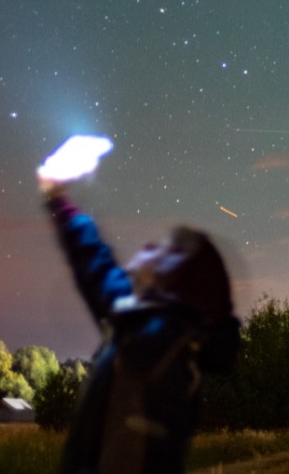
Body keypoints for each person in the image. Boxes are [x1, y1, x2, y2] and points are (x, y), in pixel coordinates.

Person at [40, 177, 240, 474]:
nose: (147, 248)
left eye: (161, 250)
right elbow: (97, 266)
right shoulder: (150, 324)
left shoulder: (156, 342)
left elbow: (132, 456)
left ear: (174, 278)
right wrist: (59, 201)